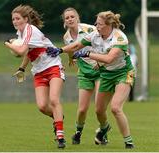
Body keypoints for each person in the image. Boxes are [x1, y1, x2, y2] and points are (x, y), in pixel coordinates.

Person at [47, 11, 135, 149]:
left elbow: (109, 59)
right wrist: (60, 50)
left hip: (123, 73)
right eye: (96, 23)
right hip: (106, 74)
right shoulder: (95, 34)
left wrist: (89, 54)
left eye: (99, 24)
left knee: (115, 108)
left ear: (108, 25)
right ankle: (103, 130)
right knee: (99, 110)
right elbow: (77, 45)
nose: (96, 26)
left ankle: (128, 142)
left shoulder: (119, 38)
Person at [4, 4, 66, 149]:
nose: (14, 21)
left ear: (26, 19)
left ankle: (60, 136)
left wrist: (7, 43)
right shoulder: (21, 33)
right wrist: (21, 68)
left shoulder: (30, 30)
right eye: (13, 19)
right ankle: (58, 118)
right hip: (38, 71)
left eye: (17, 18)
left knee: (54, 99)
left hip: (53, 67)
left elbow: (20, 51)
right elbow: (28, 53)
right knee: (42, 106)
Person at [61, 7, 100, 145]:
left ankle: (102, 132)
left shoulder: (90, 29)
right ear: (64, 21)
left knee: (99, 107)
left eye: (72, 16)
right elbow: (71, 49)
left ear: (77, 18)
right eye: (67, 18)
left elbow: (103, 44)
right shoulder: (66, 37)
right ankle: (78, 133)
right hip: (84, 71)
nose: (70, 19)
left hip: (100, 69)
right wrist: (71, 58)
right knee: (82, 108)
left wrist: (100, 60)